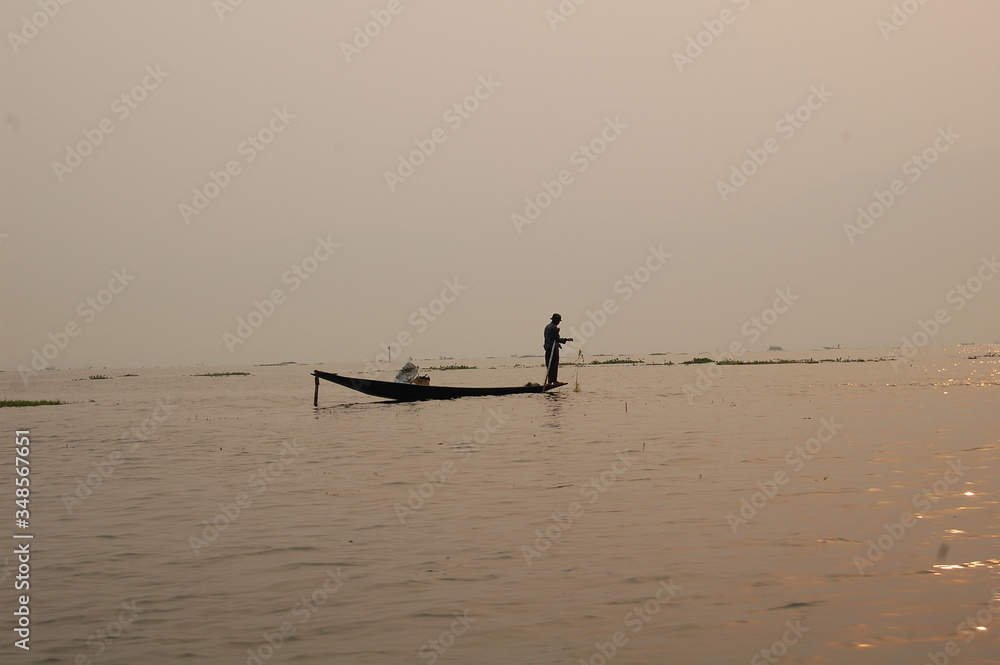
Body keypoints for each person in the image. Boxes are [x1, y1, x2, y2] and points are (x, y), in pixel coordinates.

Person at [543, 313, 573, 385]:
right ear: (554, 320)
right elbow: (557, 339)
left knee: (549, 365)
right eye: (558, 320)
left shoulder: (547, 327)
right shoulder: (553, 327)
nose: (558, 322)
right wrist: (567, 339)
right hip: (552, 348)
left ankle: (550, 382)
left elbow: (547, 338)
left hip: (547, 348)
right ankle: (554, 381)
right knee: (554, 365)